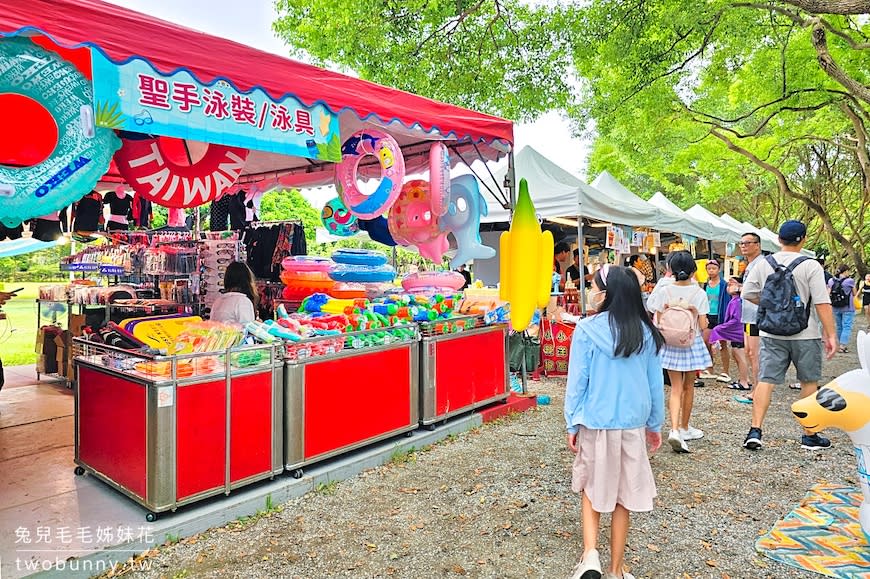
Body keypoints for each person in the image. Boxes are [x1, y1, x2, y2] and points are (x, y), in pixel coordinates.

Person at [565, 265, 664, 579]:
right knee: (625, 496)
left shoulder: (587, 329)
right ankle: (616, 571)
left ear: (605, 293)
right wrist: (655, 425)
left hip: (595, 421)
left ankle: (590, 555)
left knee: (592, 489)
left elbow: (577, 381)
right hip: (633, 425)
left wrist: (572, 422)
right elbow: (654, 384)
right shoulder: (645, 332)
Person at [741, 220, 837, 451]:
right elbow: (822, 302)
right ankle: (809, 434)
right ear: (803, 239)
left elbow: (748, 293)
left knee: (766, 380)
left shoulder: (764, 263)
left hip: (771, 332)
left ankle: (755, 430)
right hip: (806, 332)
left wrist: (771, 307)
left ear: (778, 239)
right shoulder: (811, 265)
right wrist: (831, 334)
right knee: (808, 381)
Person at [646, 251, 711, 453]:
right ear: (693, 271)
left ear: (670, 270)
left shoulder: (663, 290)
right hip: (691, 344)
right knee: (688, 386)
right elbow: (703, 323)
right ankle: (684, 427)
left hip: (669, 344)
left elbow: (656, 317)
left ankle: (673, 429)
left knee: (675, 388)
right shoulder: (699, 293)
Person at [710, 277, 751, 390]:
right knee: (736, 354)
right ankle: (744, 378)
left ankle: (744, 382)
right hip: (737, 333)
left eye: (732, 284)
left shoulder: (737, 301)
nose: (729, 286)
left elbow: (736, 320)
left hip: (738, 333)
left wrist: (720, 328)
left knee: (739, 355)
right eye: (728, 284)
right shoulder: (734, 300)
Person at [737, 232, 763, 403]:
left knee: (755, 354)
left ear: (757, 245)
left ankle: (758, 391)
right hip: (748, 315)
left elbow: (761, 290)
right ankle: (756, 389)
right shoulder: (750, 265)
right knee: (750, 352)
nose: (744, 246)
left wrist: (740, 290)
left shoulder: (761, 264)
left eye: (747, 243)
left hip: (756, 315)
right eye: (741, 243)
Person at [699, 259, 731, 383]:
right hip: (708, 316)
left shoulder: (724, 285)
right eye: (709, 269)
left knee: (723, 344)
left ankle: (726, 371)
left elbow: (727, 301)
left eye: (713, 268)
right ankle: (709, 367)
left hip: (720, 316)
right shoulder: (706, 284)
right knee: (706, 341)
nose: (711, 271)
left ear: (719, 270)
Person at [828, 264, 856, 353]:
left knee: (839, 326)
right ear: (846, 271)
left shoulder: (831, 281)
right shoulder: (850, 281)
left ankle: (840, 344)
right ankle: (842, 346)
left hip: (835, 307)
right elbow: (854, 293)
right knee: (846, 326)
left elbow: (828, 293)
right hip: (848, 307)